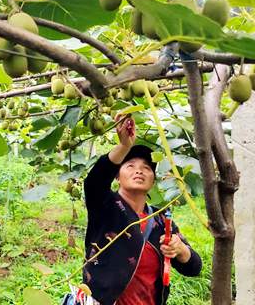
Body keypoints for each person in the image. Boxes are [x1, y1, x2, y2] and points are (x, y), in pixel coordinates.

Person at [82, 115, 202, 305]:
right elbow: (94, 181)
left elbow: (194, 268)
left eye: (146, 168)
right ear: (117, 177)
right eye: (130, 166)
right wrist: (123, 146)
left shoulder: (162, 220)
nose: (139, 171)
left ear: (153, 180)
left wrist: (181, 250)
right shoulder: (105, 205)